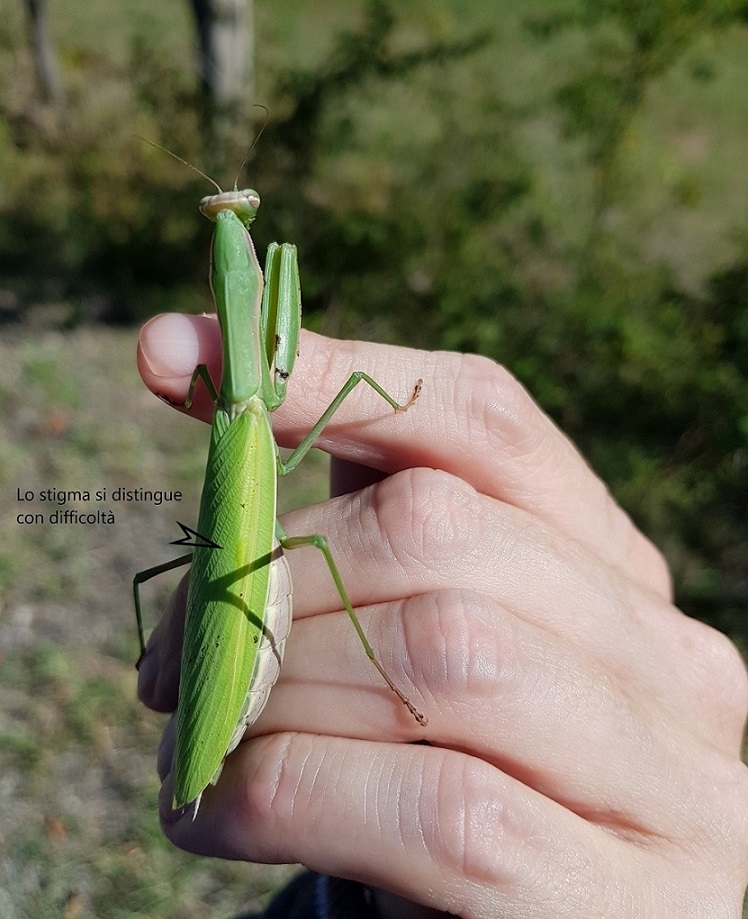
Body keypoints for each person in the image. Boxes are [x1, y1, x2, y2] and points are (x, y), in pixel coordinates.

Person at [136, 312, 748, 918]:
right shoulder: (238, 413)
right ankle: (369, 668)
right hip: (249, 585)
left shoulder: (224, 403)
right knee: (312, 545)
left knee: (155, 577)